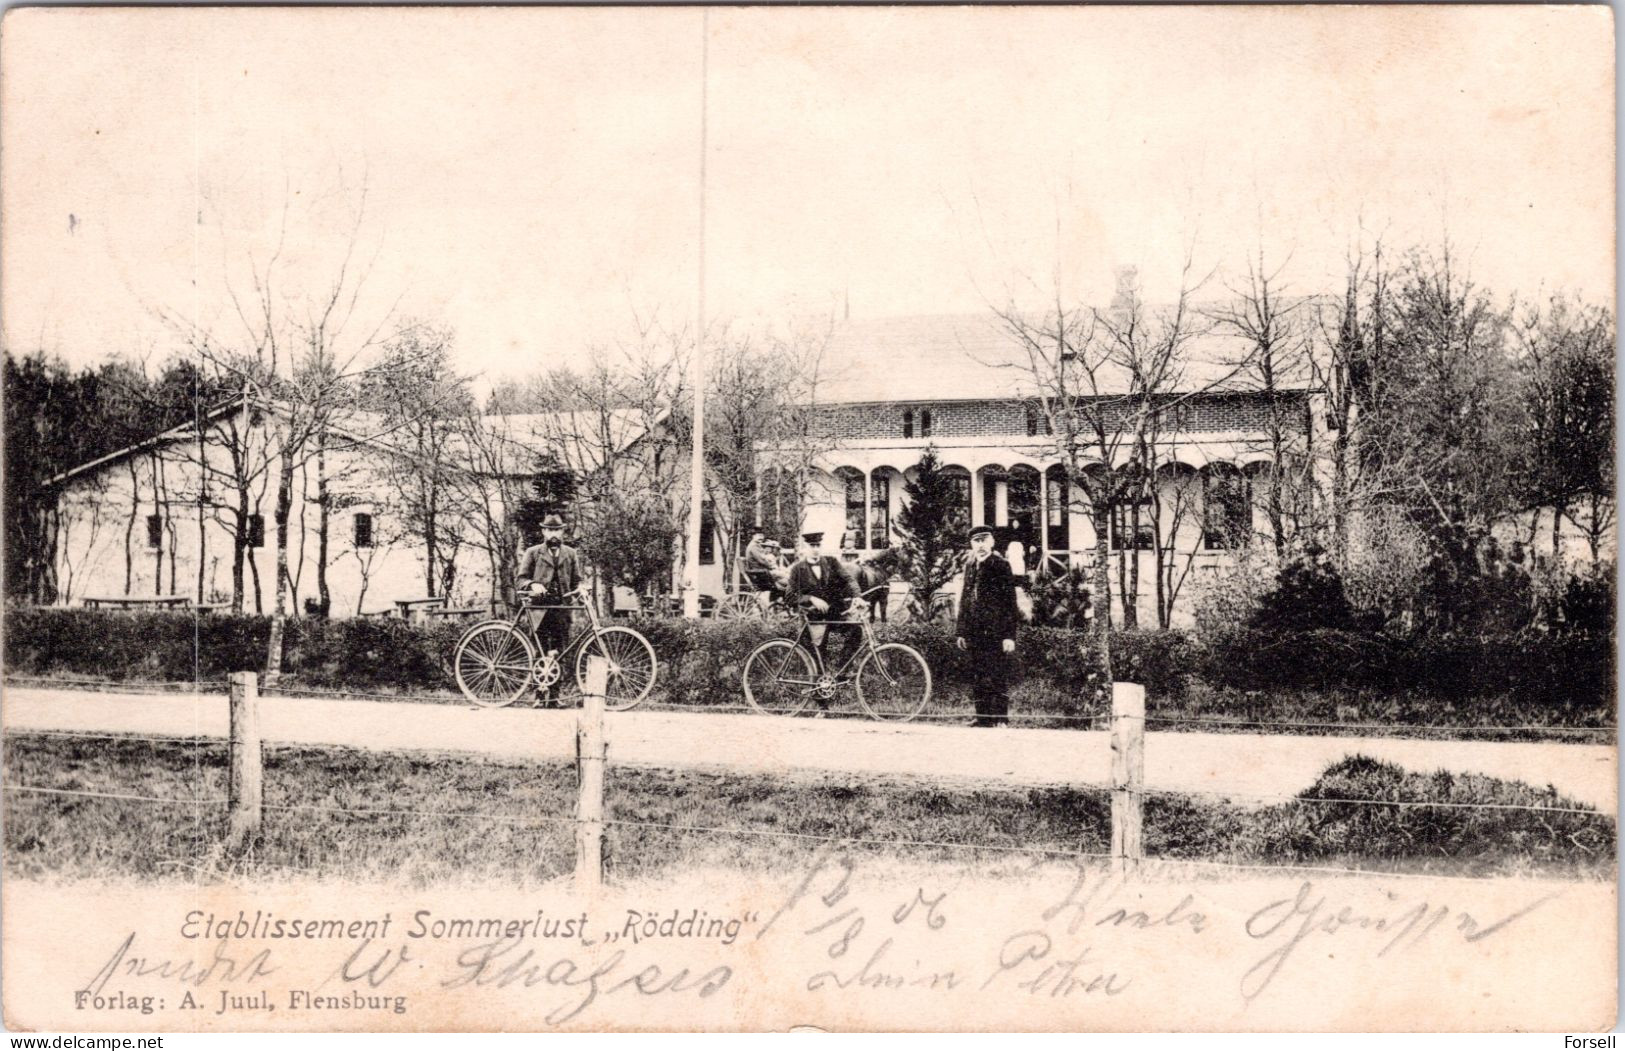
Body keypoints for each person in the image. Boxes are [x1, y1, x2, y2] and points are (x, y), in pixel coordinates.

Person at [955, 523, 1019, 727]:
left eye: (984, 540)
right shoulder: (970, 565)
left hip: (996, 631)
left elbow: (1010, 602)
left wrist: (1009, 635)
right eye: (976, 541)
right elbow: (965, 599)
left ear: (992, 542)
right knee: (978, 674)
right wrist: (961, 631)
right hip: (974, 631)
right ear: (971, 544)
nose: (980, 545)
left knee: (997, 673)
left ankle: (1001, 718)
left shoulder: (1001, 565)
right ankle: (982, 717)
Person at [516, 514, 582, 703]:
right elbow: (520, 579)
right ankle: (538, 696)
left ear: (562, 531)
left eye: (557, 530)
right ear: (543, 531)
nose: (554, 534)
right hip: (539, 609)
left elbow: (577, 580)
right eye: (550, 530)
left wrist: (581, 587)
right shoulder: (533, 552)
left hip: (561, 608)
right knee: (540, 650)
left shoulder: (570, 553)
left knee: (559, 651)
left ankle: (554, 696)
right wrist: (532, 585)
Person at [785, 530, 860, 670]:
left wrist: (857, 596)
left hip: (833, 614)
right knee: (817, 662)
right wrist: (811, 598)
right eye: (812, 546)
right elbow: (789, 597)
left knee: (856, 631)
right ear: (805, 548)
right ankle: (818, 684)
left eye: (818, 545)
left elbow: (849, 579)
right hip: (813, 617)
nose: (815, 549)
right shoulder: (797, 569)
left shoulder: (831, 562)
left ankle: (842, 670)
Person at [743, 530, 783, 602]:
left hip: (760, 570)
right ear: (753, 536)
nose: (761, 537)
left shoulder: (757, 545)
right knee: (784, 576)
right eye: (758, 535)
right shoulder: (753, 547)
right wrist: (771, 566)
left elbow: (764, 557)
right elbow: (762, 560)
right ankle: (780, 598)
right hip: (759, 571)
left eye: (762, 536)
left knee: (782, 575)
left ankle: (777, 598)